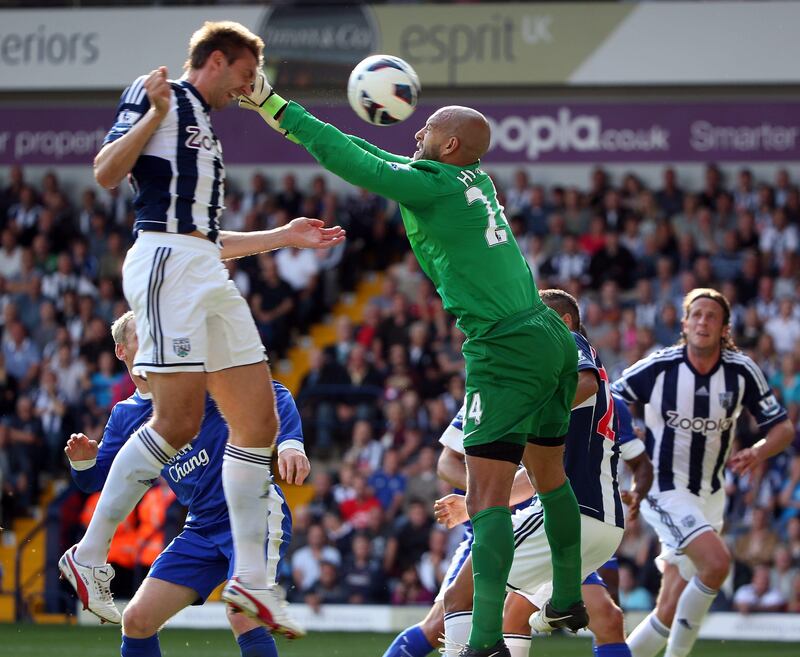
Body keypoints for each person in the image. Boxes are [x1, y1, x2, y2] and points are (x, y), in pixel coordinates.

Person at [240, 72, 584, 656]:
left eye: (428, 127)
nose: (416, 129)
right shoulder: (470, 178)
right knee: (550, 478)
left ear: (448, 146)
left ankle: (483, 642)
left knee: (485, 500)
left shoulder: (437, 187)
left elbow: (356, 161)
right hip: (550, 335)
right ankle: (568, 596)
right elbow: (379, 158)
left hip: (503, 346)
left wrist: (276, 107)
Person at [60, 21, 343, 632]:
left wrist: (285, 237)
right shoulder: (156, 92)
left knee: (258, 418)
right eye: (244, 78)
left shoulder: (206, 127)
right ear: (216, 61)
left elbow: (209, 239)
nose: (247, 90)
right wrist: (151, 114)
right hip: (164, 261)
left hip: (202, 267)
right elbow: (107, 172)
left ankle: (251, 582)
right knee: (177, 421)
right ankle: (87, 557)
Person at [383, 290, 652, 657]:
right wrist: (481, 498)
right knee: (514, 613)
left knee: (462, 597)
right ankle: (554, 610)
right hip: (592, 521)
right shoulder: (526, 380)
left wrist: (516, 417)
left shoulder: (563, 354)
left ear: (563, 322)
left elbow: (584, 383)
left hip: (569, 515)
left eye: (533, 321)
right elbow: (462, 463)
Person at [63, 311, 310, 657]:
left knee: (243, 613)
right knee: (136, 620)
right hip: (202, 526)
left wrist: (290, 443)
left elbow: (271, 392)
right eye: (142, 334)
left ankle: (87, 555)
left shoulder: (193, 375)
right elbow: (98, 482)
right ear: (121, 351)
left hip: (252, 510)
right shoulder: (124, 416)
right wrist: (83, 461)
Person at [612, 288, 794, 657]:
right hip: (662, 488)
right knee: (717, 564)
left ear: (725, 328)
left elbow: (783, 428)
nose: (703, 321)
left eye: (712, 316)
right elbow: (611, 400)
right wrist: (631, 439)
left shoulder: (741, 371)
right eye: (696, 315)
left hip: (710, 497)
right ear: (684, 324)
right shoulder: (659, 365)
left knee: (669, 606)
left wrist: (758, 451)